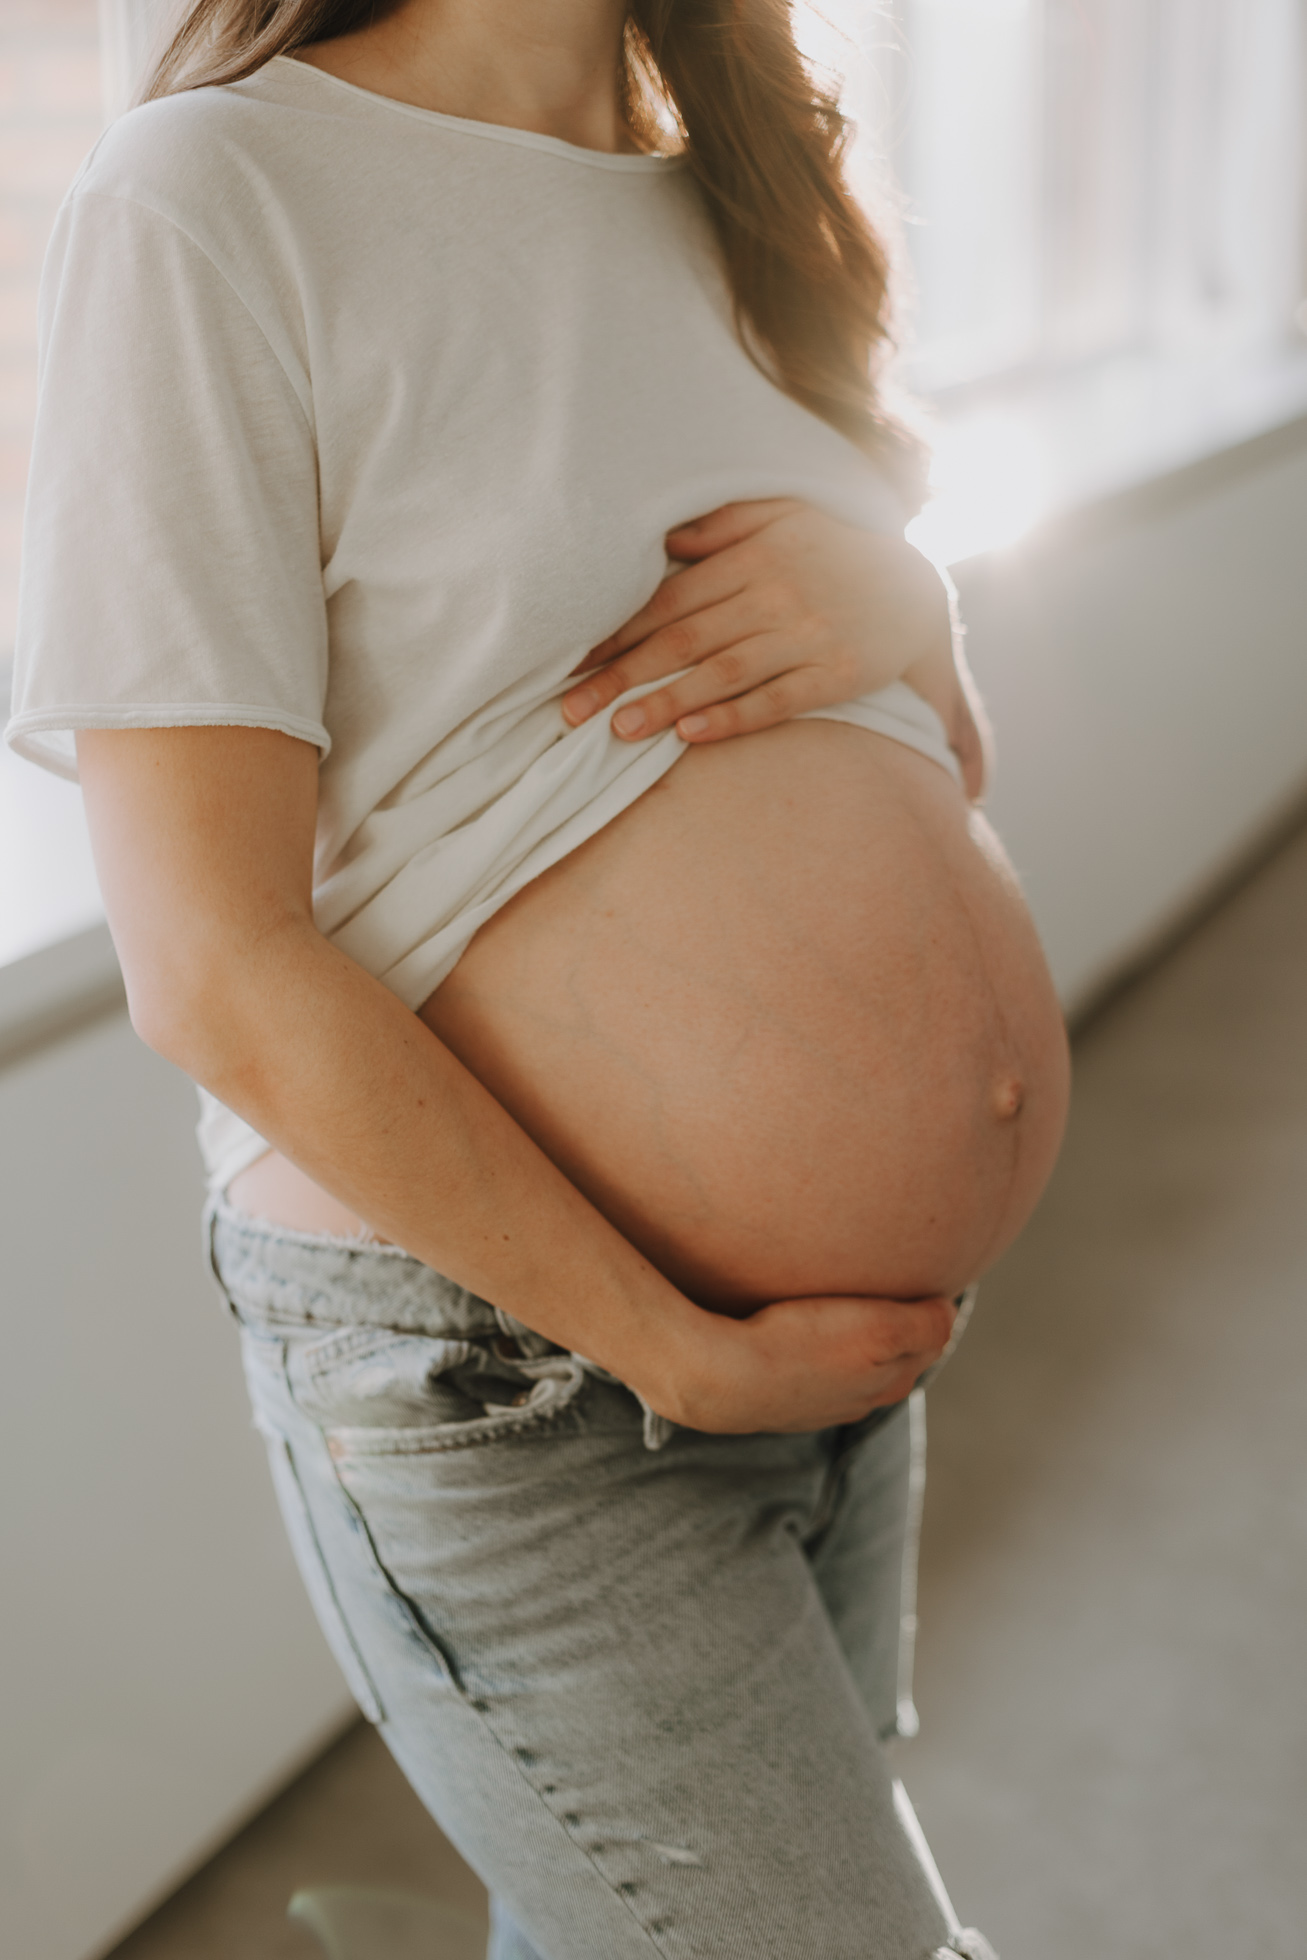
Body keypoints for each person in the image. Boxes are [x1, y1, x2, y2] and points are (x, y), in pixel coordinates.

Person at [6, 0, 1070, 1953]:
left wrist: (907, 592)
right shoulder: (209, 197)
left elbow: (939, 758)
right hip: (528, 1365)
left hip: (829, 1361)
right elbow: (213, 964)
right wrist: (671, 1345)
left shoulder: (742, 192)